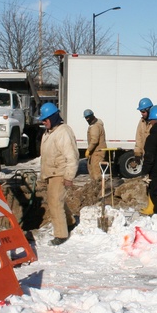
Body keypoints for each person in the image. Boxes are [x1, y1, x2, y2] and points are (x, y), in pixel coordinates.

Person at [38, 102, 79, 245]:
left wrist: (69, 176)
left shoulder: (63, 132)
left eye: (45, 119)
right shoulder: (49, 132)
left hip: (60, 173)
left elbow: (72, 156)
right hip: (51, 172)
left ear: (54, 117)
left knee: (55, 202)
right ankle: (70, 221)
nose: (43, 122)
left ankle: (61, 234)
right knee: (56, 200)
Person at [84, 109, 107, 182]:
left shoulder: (95, 126)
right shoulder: (95, 125)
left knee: (96, 171)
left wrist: (88, 150)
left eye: (88, 118)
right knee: (92, 169)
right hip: (95, 152)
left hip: (97, 152)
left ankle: (99, 187)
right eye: (86, 118)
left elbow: (94, 140)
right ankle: (95, 186)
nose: (87, 119)